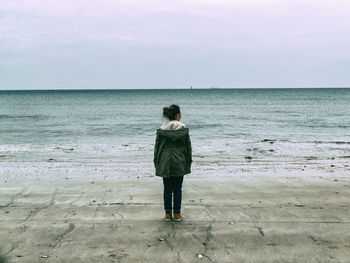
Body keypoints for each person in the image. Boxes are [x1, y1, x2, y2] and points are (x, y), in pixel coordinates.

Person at [154, 104, 192, 222]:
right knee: (177, 189)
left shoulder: (162, 129)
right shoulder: (183, 129)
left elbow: (157, 148)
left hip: (165, 161)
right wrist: (188, 161)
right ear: (178, 115)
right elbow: (188, 148)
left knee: (167, 188)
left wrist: (157, 162)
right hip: (179, 161)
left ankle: (167, 214)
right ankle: (177, 214)